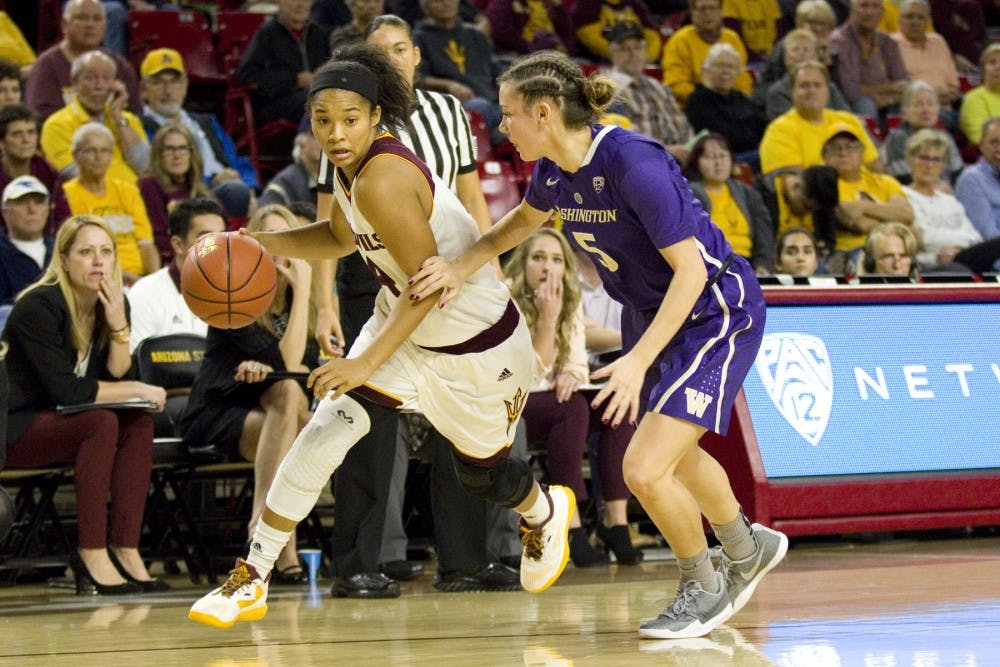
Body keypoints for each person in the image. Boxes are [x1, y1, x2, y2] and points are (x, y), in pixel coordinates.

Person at [408, 50, 788, 640]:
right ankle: (745, 547)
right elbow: (521, 224)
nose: (501, 126)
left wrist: (635, 360)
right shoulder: (555, 172)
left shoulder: (633, 164)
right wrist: (462, 265)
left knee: (642, 466)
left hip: (713, 307)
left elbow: (689, 273)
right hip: (651, 310)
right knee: (674, 455)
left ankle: (704, 585)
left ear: (543, 112)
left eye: (508, 114)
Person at [188, 44, 571, 629]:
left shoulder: (384, 179)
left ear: (374, 118)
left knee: (483, 473)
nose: (335, 133)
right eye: (323, 121)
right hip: (409, 333)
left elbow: (426, 287)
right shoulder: (347, 172)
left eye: (349, 120)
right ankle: (253, 574)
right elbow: (341, 237)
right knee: (323, 433)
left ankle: (544, 510)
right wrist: (264, 245)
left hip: (478, 350)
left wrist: (362, 364)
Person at [3, 214, 168, 594]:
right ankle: (90, 551)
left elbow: (113, 376)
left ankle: (125, 549)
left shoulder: (113, 301)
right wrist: (139, 387)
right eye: (86, 252)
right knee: (102, 423)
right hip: (15, 427)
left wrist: (117, 326)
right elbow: (68, 392)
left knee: (137, 423)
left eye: (106, 252)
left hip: (63, 423)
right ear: (63, 259)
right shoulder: (38, 306)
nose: (98, 261)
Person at [180, 204, 318, 586]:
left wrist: (304, 292)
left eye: (288, 240)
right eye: (272, 241)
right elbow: (292, 367)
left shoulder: (300, 305)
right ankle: (275, 537)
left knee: (298, 413)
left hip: (272, 419)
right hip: (218, 412)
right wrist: (282, 373)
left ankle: (266, 536)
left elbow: (298, 377)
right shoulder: (233, 296)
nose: (280, 252)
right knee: (297, 414)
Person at [504, 228, 641, 568]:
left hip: (555, 402)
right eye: (538, 258)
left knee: (616, 403)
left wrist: (571, 373)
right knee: (572, 408)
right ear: (523, 264)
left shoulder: (569, 298)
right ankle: (571, 524)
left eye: (556, 260)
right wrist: (547, 321)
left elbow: (578, 362)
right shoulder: (505, 300)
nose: (548, 269)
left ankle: (617, 521)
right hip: (513, 405)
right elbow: (528, 377)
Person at [138, 48, 259, 206]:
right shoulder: (139, 127)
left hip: (232, 188)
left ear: (185, 85)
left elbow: (236, 161)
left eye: (175, 81)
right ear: (144, 89)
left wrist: (249, 187)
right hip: (189, 197)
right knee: (235, 192)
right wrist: (212, 181)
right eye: (159, 82)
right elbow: (164, 174)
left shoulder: (205, 122)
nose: (168, 90)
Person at [62, 123, 159, 285]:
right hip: (97, 279)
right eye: (90, 151)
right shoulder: (67, 194)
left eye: (105, 151)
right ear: (75, 156)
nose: (98, 157)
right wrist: (128, 279)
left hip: (139, 281)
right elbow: (83, 253)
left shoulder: (128, 190)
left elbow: (146, 245)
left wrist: (153, 281)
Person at [127, 197, 225, 349]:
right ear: (178, 244)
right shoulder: (144, 293)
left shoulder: (236, 292)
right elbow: (138, 363)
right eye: (206, 237)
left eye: (222, 236)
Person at [40, 50, 150, 184]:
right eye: (91, 78)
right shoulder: (56, 125)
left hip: (135, 199)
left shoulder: (128, 120)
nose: (99, 86)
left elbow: (145, 166)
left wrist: (118, 117)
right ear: (75, 83)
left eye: (106, 78)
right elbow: (75, 174)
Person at [24, 0, 143, 122]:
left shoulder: (120, 66)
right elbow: (40, 118)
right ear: (64, 25)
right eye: (82, 18)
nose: (90, 25)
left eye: (97, 19)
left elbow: (136, 114)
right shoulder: (47, 66)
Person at [901, 128, 1000, 274]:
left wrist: (957, 250)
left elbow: (976, 238)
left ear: (943, 166)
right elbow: (925, 238)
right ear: (910, 160)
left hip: (962, 259)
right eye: (924, 158)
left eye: (936, 159)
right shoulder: (903, 196)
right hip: (929, 264)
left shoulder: (950, 201)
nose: (929, 165)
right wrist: (960, 243)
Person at [760, 60, 880, 175]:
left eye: (818, 85)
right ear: (792, 91)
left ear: (828, 90)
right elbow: (796, 187)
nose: (812, 90)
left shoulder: (849, 120)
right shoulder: (779, 131)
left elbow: (875, 167)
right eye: (804, 86)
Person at [412, 0, 504, 144]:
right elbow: (417, 78)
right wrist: (449, 85)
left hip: (490, 100)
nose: (445, 3)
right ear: (425, 7)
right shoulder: (418, 38)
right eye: (437, 1)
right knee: (481, 107)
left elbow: (497, 72)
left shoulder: (476, 36)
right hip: (452, 106)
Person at [602, 19, 693, 164]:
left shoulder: (659, 87)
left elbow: (683, 126)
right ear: (612, 53)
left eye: (638, 48)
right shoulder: (607, 89)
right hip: (641, 163)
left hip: (679, 161)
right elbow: (622, 138)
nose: (632, 54)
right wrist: (666, 149)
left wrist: (689, 149)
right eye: (625, 49)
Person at [686, 133, 775, 274]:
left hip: (747, 264)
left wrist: (762, 265)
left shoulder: (748, 193)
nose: (718, 163)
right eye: (709, 157)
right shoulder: (689, 195)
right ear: (696, 162)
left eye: (722, 156)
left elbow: (764, 234)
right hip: (711, 266)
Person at [234, 0, 332, 125]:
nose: (300, 4)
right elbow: (246, 75)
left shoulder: (319, 34)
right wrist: (295, 80)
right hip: (275, 103)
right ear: (279, 2)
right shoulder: (267, 34)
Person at [822, 128, 914, 253]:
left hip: (894, 250)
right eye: (835, 148)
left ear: (862, 154)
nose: (843, 153)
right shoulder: (825, 185)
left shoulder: (885, 181)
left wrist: (862, 207)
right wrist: (901, 227)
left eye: (851, 147)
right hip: (852, 252)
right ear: (825, 157)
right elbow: (860, 225)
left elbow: (907, 214)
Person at [137, 124, 213, 265]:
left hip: (204, 256)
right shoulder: (149, 186)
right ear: (158, 154)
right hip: (173, 262)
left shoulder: (198, 188)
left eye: (183, 148)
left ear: (192, 153)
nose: (177, 155)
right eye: (169, 149)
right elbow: (160, 238)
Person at [683, 43, 767, 166]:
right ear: (706, 69)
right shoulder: (697, 100)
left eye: (731, 67)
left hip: (753, 154)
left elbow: (765, 127)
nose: (726, 72)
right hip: (725, 160)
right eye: (719, 66)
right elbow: (722, 137)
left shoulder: (741, 98)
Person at [660, 0, 754, 106]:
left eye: (713, 8)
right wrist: (711, 101)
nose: (708, 13)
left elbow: (742, 78)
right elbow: (675, 84)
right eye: (702, 9)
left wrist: (740, 101)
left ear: (721, 12)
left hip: (731, 106)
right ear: (692, 12)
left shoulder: (733, 39)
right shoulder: (680, 41)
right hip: (694, 107)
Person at [828, 0, 909, 119]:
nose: (870, 12)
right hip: (851, 106)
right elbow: (851, 91)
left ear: (882, 12)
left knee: (910, 105)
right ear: (852, 8)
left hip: (887, 102)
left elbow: (904, 83)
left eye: (875, 6)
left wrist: (887, 99)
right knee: (865, 105)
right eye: (864, 6)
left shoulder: (887, 41)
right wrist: (890, 87)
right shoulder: (839, 41)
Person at [0, 105, 71, 236]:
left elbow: (63, 219)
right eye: (17, 134)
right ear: (2, 142)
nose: (26, 140)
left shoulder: (49, 174)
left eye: (31, 132)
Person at [881, 81, 963, 185]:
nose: (926, 110)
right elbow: (904, 178)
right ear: (905, 112)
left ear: (938, 109)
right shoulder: (898, 138)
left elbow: (958, 174)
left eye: (930, 104)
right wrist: (938, 190)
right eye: (918, 105)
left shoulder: (945, 137)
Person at [890, 0, 960, 116]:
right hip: (915, 110)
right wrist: (932, 97)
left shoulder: (938, 42)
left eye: (920, 17)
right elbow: (896, 88)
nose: (915, 22)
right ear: (899, 20)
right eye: (909, 16)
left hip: (946, 108)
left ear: (928, 21)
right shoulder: (890, 44)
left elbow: (953, 86)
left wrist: (949, 95)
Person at [764, 28, 850, 120]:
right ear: (786, 58)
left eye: (806, 50)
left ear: (815, 56)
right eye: (795, 49)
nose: (801, 54)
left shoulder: (830, 87)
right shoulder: (777, 92)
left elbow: (848, 118)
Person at [0, 177, 55, 305]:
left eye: (39, 202)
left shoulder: (63, 250)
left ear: (48, 209)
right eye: (22, 202)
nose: (32, 210)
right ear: (5, 212)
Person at [570, 0, 662, 63]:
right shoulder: (586, 4)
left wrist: (648, 56)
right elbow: (590, 38)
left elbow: (653, 36)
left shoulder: (636, 4)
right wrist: (621, 54)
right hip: (595, 59)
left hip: (633, 57)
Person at [955, 118, 1000, 243]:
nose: (999, 149)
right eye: (994, 142)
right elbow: (989, 238)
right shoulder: (972, 180)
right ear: (981, 146)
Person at [259, 127, 322, 208]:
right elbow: (266, 214)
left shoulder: (337, 177)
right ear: (301, 146)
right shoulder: (284, 184)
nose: (325, 139)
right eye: (316, 135)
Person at [486, 0, 576, 55]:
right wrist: (532, 50)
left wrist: (558, 7)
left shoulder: (549, 4)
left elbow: (569, 34)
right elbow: (501, 30)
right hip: (520, 53)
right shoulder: (505, 2)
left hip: (553, 52)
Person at [958, 44, 1000, 146]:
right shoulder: (973, 99)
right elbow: (981, 138)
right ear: (983, 70)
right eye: (992, 62)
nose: (998, 67)